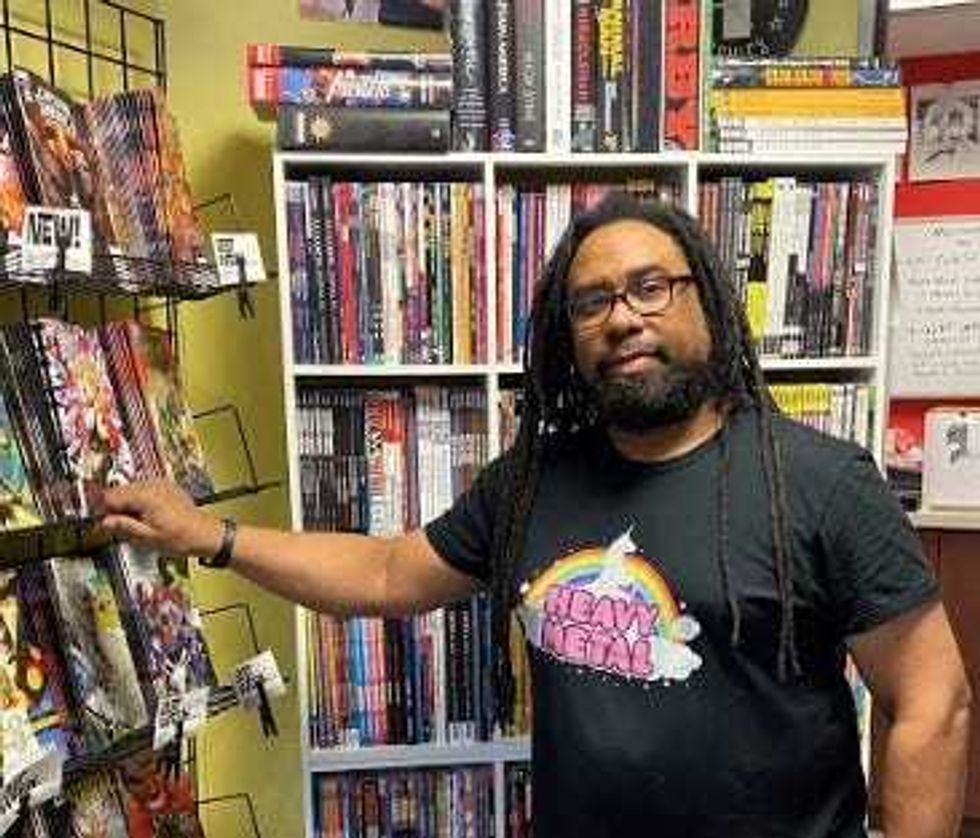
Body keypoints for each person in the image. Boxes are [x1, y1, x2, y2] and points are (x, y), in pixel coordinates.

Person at [100, 194, 971, 838]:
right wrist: (210, 536)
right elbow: (388, 573)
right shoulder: (531, 482)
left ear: (706, 299)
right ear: (569, 335)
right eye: (591, 302)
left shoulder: (820, 482)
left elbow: (932, 698)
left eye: (650, 288)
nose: (622, 317)